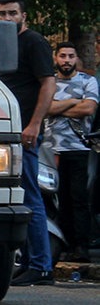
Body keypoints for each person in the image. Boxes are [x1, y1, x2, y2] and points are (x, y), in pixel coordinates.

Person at [0, 0, 57, 285]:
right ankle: (30, 261)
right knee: (17, 195)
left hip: (25, 131)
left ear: (23, 17)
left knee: (30, 195)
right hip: (6, 130)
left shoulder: (34, 42)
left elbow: (48, 84)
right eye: (2, 13)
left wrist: (34, 125)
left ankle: (42, 267)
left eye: (12, 13)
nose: (6, 18)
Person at [44, 42, 98, 262]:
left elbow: (89, 108)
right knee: (59, 201)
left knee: (79, 199)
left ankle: (81, 247)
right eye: (63, 56)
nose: (66, 60)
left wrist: (59, 105)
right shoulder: (49, 82)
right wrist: (75, 101)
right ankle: (62, 246)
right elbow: (45, 108)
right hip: (49, 149)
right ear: (56, 58)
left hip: (78, 149)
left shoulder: (88, 81)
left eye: (71, 56)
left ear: (77, 59)